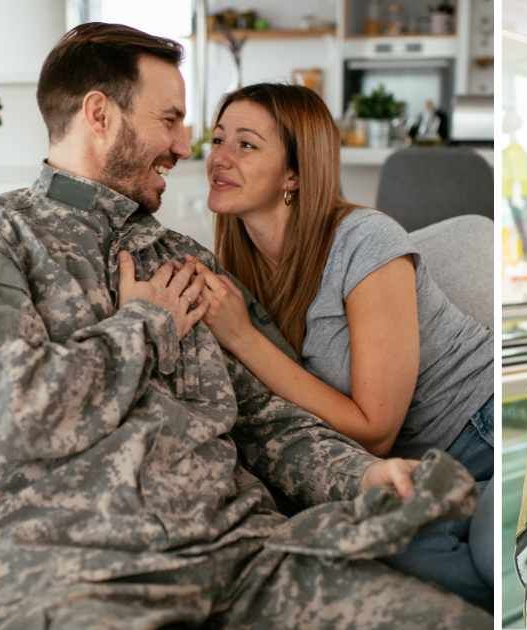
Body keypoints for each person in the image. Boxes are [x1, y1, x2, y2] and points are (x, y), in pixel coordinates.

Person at [0, 22, 489, 628]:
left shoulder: (186, 259)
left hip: (239, 558)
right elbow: (4, 415)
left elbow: (270, 421)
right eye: (170, 120)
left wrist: (364, 474)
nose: (187, 147)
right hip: (59, 573)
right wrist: (145, 324)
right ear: (99, 115)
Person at [187, 82, 494, 607]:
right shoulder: (239, 265)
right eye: (217, 141)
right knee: (362, 556)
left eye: (246, 144)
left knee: (485, 567)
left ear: (294, 174)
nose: (220, 158)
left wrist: (242, 336)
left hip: (482, 434)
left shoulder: (363, 241)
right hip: (402, 470)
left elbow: (374, 430)